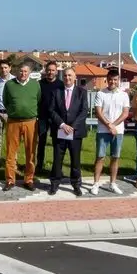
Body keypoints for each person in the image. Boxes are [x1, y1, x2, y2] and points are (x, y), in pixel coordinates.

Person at [48, 67, 89, 196]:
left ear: (75, 77)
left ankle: (76, 184)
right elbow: (52, 110)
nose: (67, 78)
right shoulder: (56, 91)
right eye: (65, 76)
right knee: (57, 159)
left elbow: (84, 111)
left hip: (75, 132)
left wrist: (72, 126)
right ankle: (54, 184)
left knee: (75, 160)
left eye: (70, 76)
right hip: (60, 130)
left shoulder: (82, 92)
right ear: (62, 77)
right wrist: (62, 124)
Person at [2, 63, 40, 191]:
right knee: (11, 152)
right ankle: (10, 180)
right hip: (13, 122)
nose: (23, 74)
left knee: (31, 152)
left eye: (25, 72)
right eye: (21, 71)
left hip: (31, 122)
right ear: (17, 71)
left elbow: (38, 100)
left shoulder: (35, 85)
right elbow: (5, 101)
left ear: (29, 72)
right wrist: (13, 112)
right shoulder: (9, 85)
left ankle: (28, 179)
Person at [91, 69, 128, 194]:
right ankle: (96, 184)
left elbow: (125, 113)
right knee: (100, 157)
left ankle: (112, 183)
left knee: (115, 157)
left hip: (118, 131)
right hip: (102, 130)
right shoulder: (101, 93)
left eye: (115, 79)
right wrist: (108, 125)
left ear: (118, 80)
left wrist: (113, 126)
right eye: (111, 79)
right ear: (107, 80)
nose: (113, 82)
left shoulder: (124, 95)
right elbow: (98, 112)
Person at [36, 60, 64, 176]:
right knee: (41, 142)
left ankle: (56, 168)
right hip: (42, 117)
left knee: (57, 144)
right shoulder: (39, 84)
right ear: (45, 71)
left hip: (56, 118)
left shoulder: (61, 85)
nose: (50, 72)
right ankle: (39, 166)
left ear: (56, 71)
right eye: (48, 70)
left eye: (53, 70)